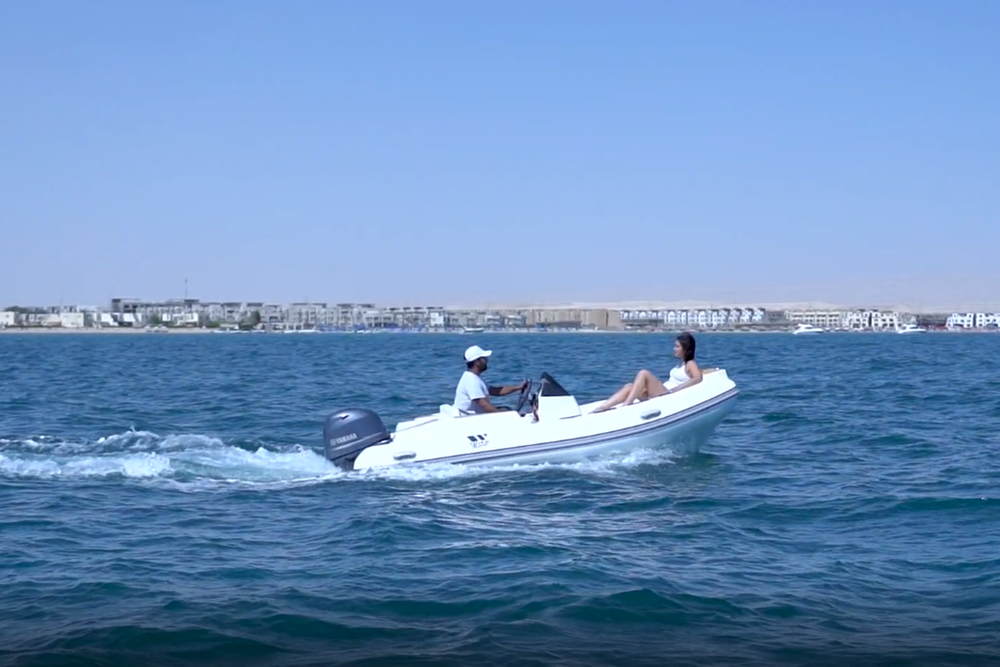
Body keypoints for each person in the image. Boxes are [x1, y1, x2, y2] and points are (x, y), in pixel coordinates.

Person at [591, 332, 703, 413]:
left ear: (686, 348)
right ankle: (604, 407)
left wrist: (677, 389)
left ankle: (627, 405)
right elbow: (697, 373)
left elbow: (697, 377)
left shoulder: (690, 363)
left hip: (668, 396)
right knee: (629, 386)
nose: (674, 349)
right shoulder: (682, 364)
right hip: (664, 392)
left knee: (644, 373)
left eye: (677, 346)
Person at [454, 345, 527, 414]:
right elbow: (484, 404)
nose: (487, 360)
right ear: (477, 362)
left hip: (475, 416)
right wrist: (503, 415)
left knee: (506, 409)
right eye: (484, 358)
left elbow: (495, 391)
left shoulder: (474, 378)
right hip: (468, 418)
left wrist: (518, 387)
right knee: (506, 411)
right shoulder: (471, 381)